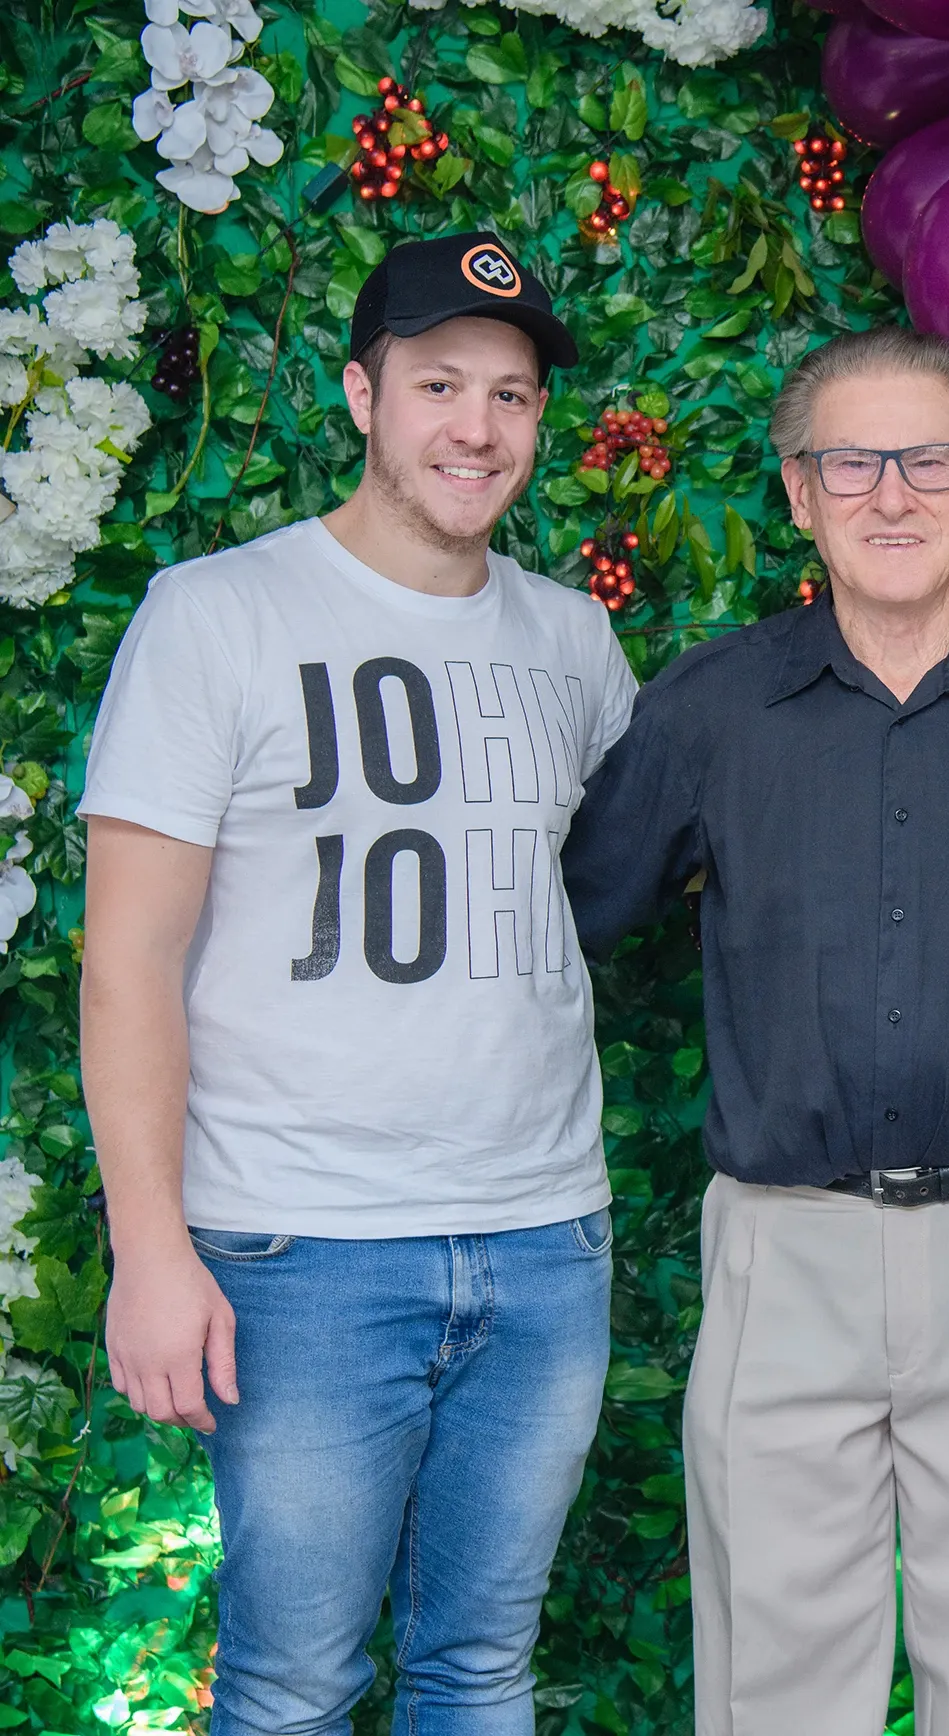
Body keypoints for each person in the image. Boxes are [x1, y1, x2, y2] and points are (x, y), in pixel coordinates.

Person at [558, 326, 949, 1736]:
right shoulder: (710, 711)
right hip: (784, 1249)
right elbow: (564, 925)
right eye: (851, 461)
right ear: (798, 491)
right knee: (774, 1677)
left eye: (929, 459)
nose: (890, 494)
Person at [78, 232, 633, 1734]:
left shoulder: (576, 643)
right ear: (361, 395)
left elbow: (649, 873)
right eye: (439, 384)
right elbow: (128, 955)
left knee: (479, 1671)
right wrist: (149, 1250)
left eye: (510, 395)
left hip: (541, 1243)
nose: (477, 426)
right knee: (291, 1684)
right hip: (300, 1250)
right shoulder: (219, 614)